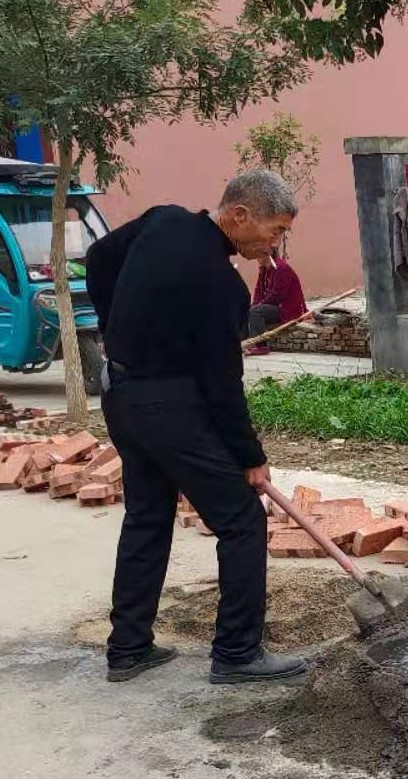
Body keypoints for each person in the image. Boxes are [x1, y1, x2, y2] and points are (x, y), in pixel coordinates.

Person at [86, 169, 309, 685]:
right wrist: (250, 457)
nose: (275, 244)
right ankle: (237, 653)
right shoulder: (221, 286)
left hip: (121, 395)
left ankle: (128, 648)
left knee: (147, 516)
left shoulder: (164, 221)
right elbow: (221, 385)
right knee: (242, 520)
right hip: (168, 406)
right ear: (240, 215)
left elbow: (98, 258)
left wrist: (117, 327)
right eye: (275, 230)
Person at [245, 248, 308, 355]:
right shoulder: (264, 270)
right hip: (273, 306)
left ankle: (261, 345)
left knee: (256, 311)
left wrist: (259, 305)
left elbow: (277, 295)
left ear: (267, 255)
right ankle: (244, 341)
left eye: (258, 255)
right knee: (248, 310)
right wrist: (255, 304)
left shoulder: (281, 268)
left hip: (287, 309)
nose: (256, 258)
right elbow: (258, 290)